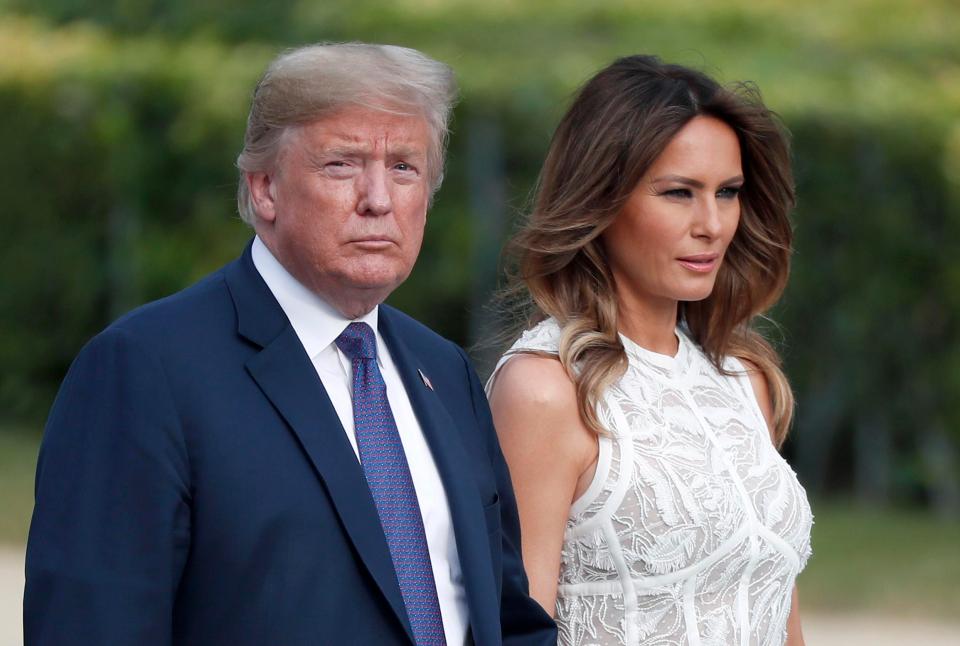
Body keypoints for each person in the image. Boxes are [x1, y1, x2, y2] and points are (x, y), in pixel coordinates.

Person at [25, 43, 556, 646]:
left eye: (404, 168)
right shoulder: (145, 370)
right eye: (342, 164)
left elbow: (508, 616)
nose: (379, 199)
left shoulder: (444, 370)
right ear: (265, 189)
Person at [487, 55, 813, 645]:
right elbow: (516, 628)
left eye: (729, 192)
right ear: (601, 200)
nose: (712, 224)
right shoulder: (546, 389)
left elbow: (777, 607)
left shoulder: (744, 380)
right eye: (679, 193)